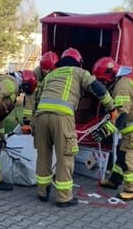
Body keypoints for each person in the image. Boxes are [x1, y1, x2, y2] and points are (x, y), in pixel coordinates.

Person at [34, 47, 116, 207]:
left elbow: (37, 97)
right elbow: (96, 87)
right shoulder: (79, 72)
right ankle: (64, 197)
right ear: (78, 62)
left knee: (43, 155)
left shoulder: (51, 75)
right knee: (65, 155)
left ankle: (42, 192)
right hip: (62, 116)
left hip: (41, 116)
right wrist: (111, 107)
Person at [92, 57, 133, 201]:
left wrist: (104, 131)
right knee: (121, 153)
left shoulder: (121, 88)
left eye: (102, 81)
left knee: (127, 156)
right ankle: (114, 180)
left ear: (109, 77)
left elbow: (121, 115)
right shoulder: (120, 83)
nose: (102, 84)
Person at [21, 51, 59, 135]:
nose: (45, 73)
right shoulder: (35, 74)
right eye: (44, 71)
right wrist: (27, 122)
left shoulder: (59, 74)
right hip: (38, 106)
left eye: (48, 71)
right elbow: (29, 98)